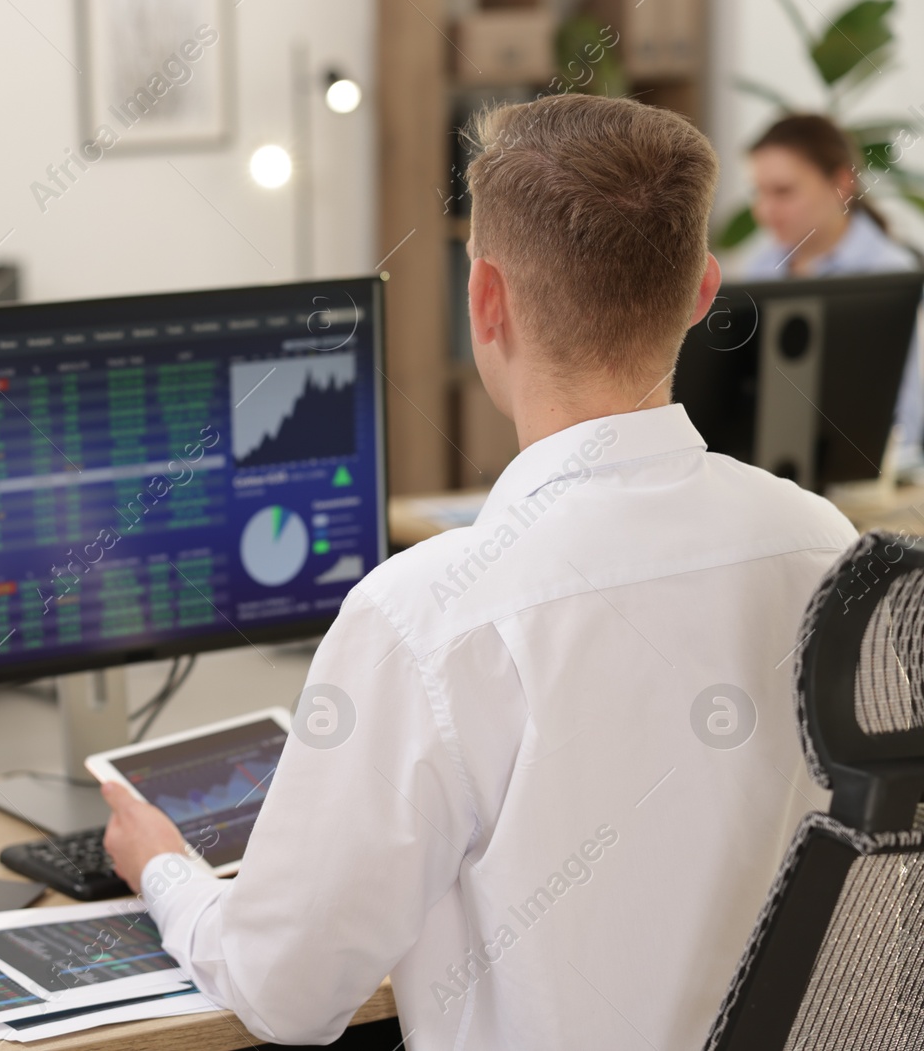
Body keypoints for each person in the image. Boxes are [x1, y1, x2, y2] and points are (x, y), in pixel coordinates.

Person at [101, 95, 859, 1048]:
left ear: (484, 299)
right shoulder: (825, 546)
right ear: (704, 291)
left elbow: (286, 994)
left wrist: (167, 872)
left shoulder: (426, 613)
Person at [741, 112, 924, 467]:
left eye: (783, 192)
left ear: (842, 183)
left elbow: (906, 423)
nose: (765, 210)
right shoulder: (762, 267)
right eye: (759, 192)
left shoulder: (888, 274)